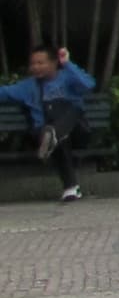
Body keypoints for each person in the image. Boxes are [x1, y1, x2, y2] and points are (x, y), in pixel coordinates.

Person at [7, 45, 96, 203]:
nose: (35, 67)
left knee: (72, 109)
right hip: (43, 135)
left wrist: (67, 63)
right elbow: (4, 92)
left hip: (76, 132)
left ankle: (54, 134)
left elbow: (88, 85)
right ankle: (71, 188)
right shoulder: (27, 87)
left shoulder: (67, 78)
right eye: (33, 63)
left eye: (41, 63)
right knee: (58, 138)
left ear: (55, 62)